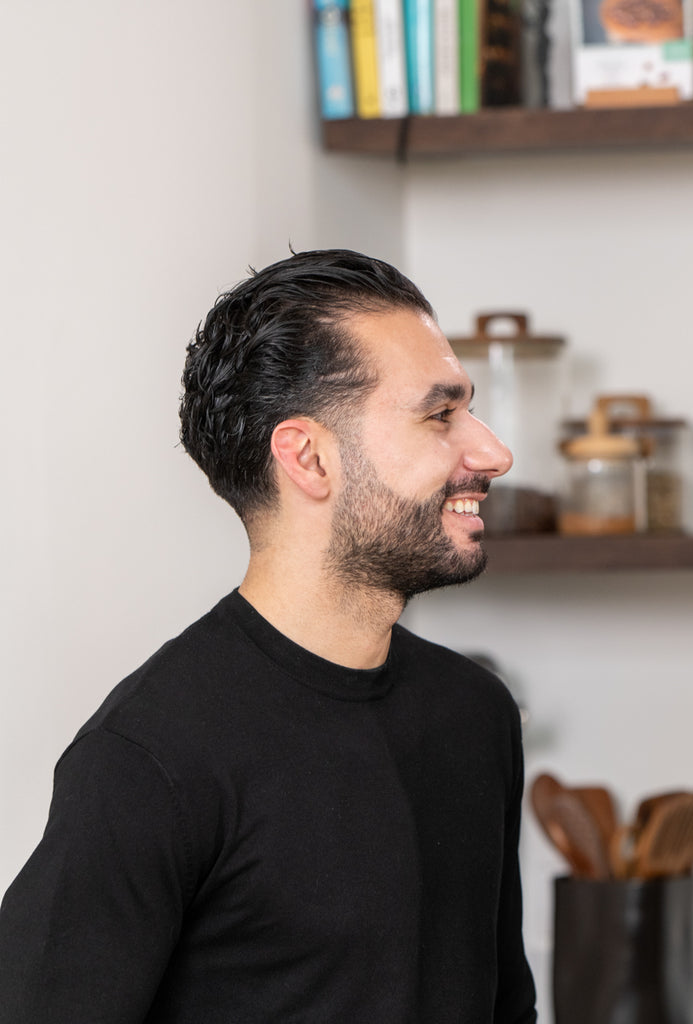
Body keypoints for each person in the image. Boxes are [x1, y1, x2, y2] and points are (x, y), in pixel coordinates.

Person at [0, 249, 537, 1023]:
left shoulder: (475, 713)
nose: (492, 453)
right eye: (440, 414)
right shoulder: (150, 757)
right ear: (309, 457)